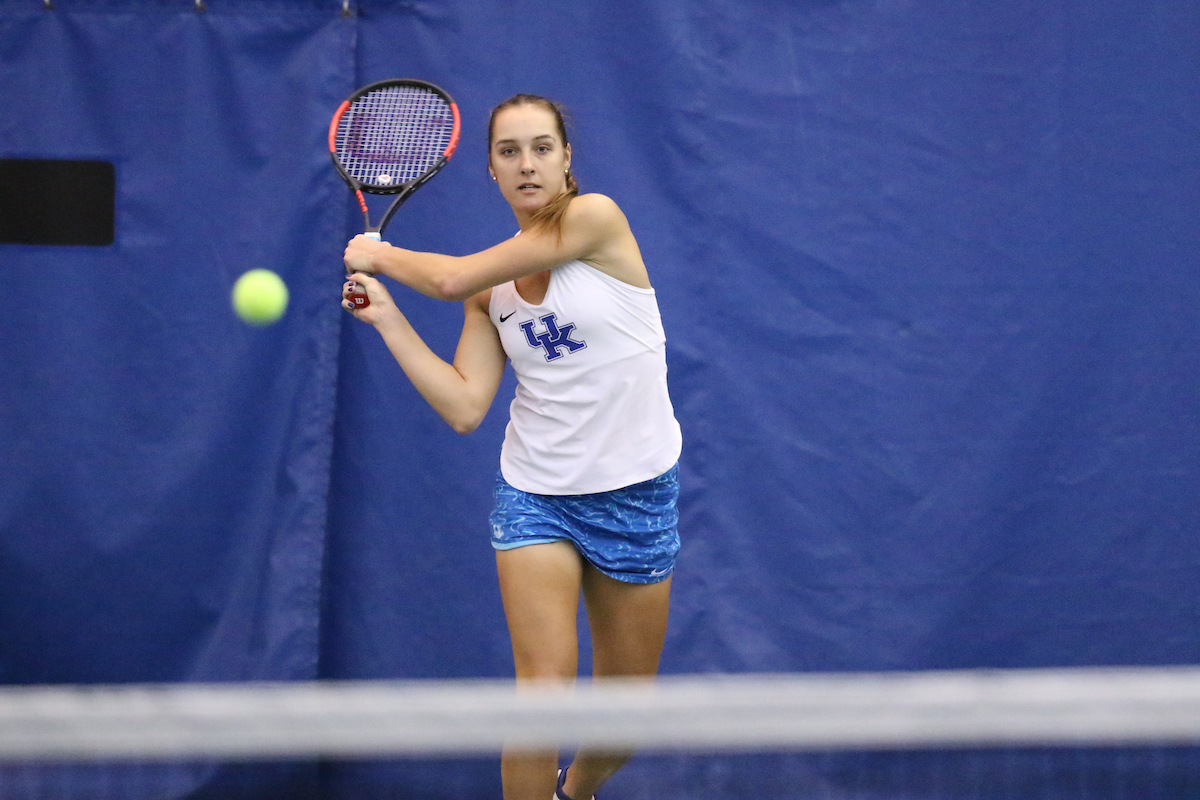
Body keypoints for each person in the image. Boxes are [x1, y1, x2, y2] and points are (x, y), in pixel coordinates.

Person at [341, 93, 682, 800]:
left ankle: (575, 793)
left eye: (541, 148)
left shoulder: (597, 220)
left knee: (624, 720)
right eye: (508, 152)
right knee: (541, 696)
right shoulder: (490, 292)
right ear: (490, 172)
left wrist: (381, 256)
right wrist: (388, 321)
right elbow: (467, 406)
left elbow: (448, 276)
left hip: (635, 492)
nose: (526, 164)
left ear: (566, 161)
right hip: (535, 495)